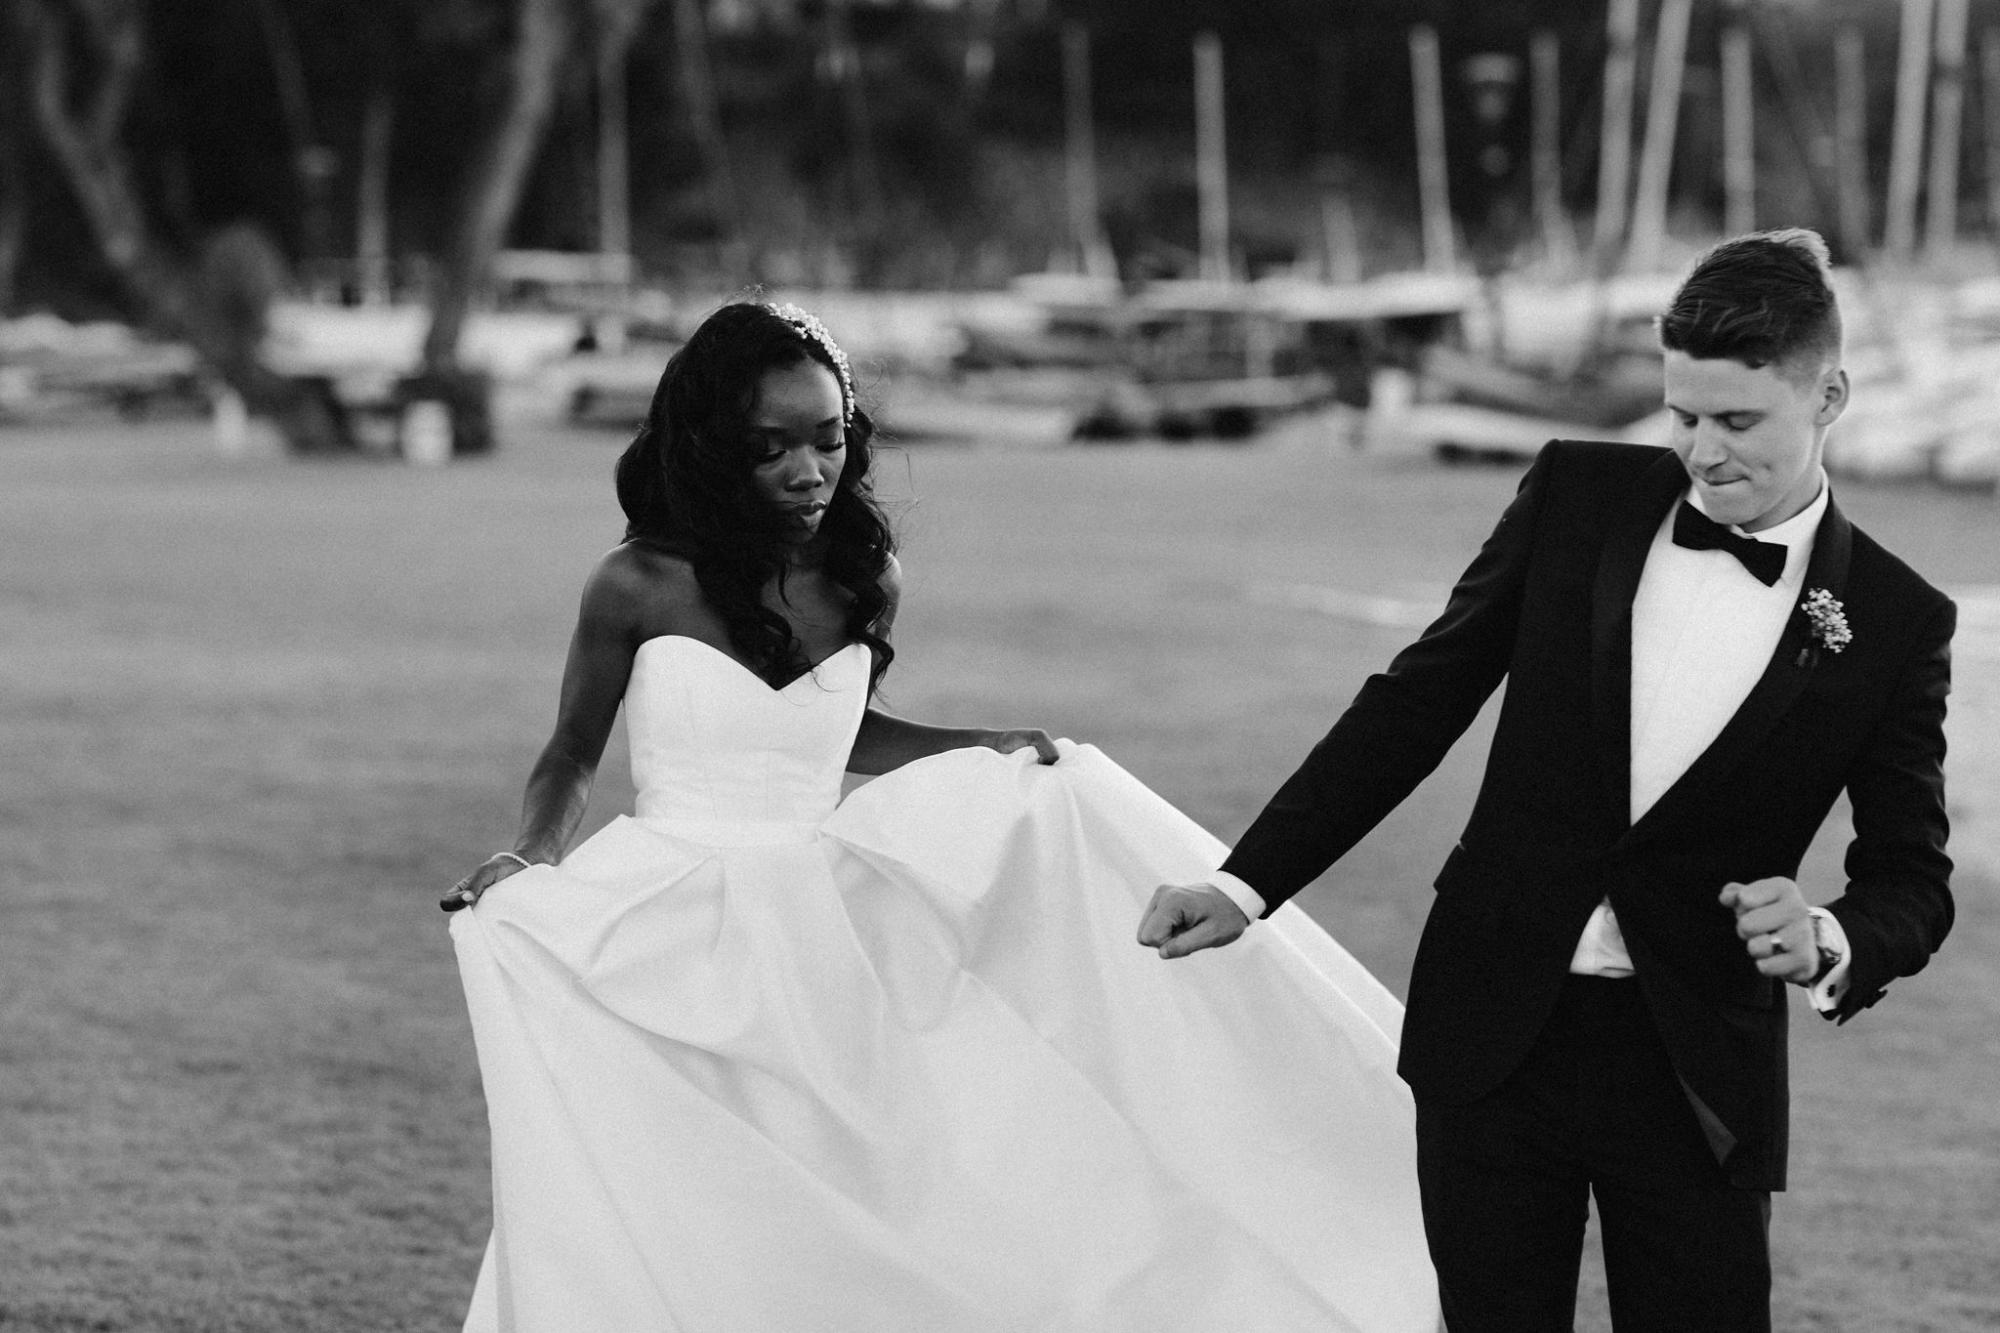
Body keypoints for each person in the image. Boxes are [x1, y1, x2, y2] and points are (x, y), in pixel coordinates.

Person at [442, 300, 1438, 1331]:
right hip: (665, 923)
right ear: (708, 449)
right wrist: (529, 853)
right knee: (668, 1177)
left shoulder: (861, 575)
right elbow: (571, 751)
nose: (807, 471)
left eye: (827, 441)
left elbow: (836, 732)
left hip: (817, 935)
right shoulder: (635, 584)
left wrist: (981, 747)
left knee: (848, 1187)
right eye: (769, 448)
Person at [1139, 229, 1955, 1331]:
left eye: (1736, 421)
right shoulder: (1577, 496)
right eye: (1680, 415)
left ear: (1830, 397)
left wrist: (1824, 936)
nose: (1701, 453)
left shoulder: (1897, 623)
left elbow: (1910, 875)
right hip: (1491, 1032)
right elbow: (1415, 700)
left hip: (1692, 1072)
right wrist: (1244, 886)